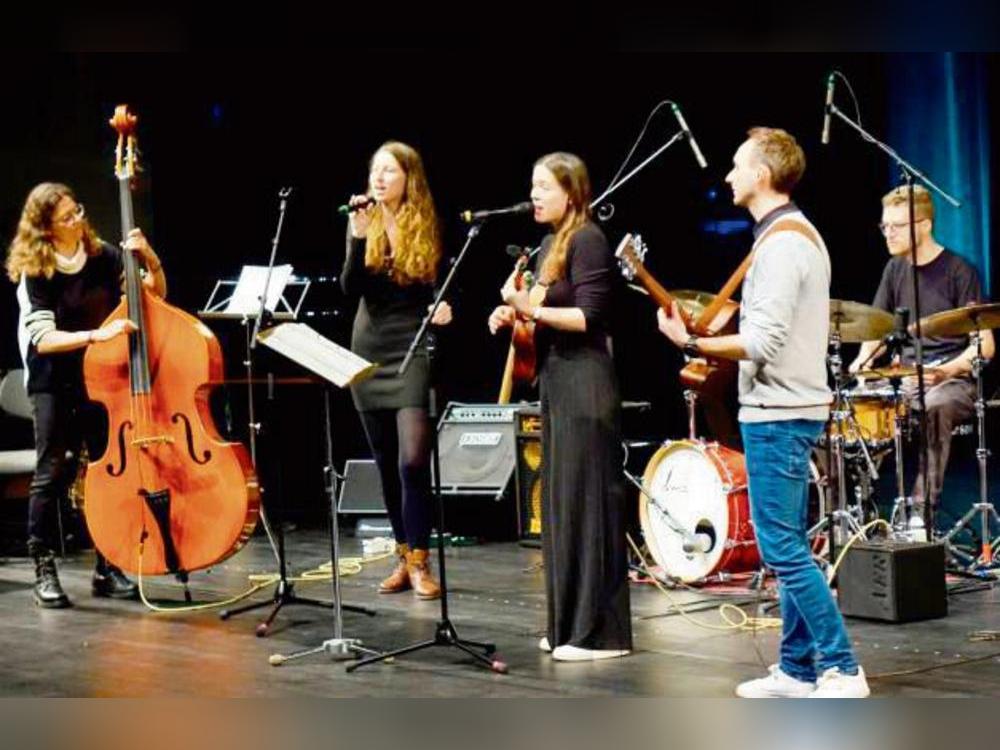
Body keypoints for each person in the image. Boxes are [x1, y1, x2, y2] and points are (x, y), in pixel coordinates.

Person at [657, 128, 869, 697]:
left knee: (781, 549)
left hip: (778, 410)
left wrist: (693, 345)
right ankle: (799, 670)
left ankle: (842, 668)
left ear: (761, 175)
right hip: (784, 406)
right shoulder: (787, 236)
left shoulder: (782, 244)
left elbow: (764, 340)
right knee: (791, 542)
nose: (727, 176)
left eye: (736, 166)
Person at [489, 152, 631, 661]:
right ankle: (569, 625)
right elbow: (545, 316)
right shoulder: (550, 244)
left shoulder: (589, 239)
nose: (535, 194)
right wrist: (515, 315)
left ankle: (602, 635)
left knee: (589, 505)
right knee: (562, 507)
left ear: (570, 192)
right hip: (557, 382)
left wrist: (532, 307)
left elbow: (590, 317)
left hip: (587, 383)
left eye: (544, 186)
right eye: (533, 185)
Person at [7, 182, 167, 608]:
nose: (78, 221)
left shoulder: (101, 257)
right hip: (53, 383)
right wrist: (100, 334)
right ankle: (42, 564)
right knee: (52, 474)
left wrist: (148, 257)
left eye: (77, 211)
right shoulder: (36, 272)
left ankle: (107, 565)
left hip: (102, 380)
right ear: (45, 229)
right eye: (66, 218)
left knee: (103, 475)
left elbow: (153, 296)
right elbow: (43, 338)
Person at [341, 141, 452, 600]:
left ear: (409, 177)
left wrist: (444, 306)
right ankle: (403, 558)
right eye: (375, 171)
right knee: (387, 464)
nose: (379, 178)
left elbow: (437, 282)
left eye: (389, 171)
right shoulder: (362, 221)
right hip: (369, 346)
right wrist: (358, 236)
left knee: (411, 460)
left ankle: (423, 560)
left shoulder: (425, 223)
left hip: (411, 349)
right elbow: (351, 287)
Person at [849, 185, 994, 524]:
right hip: (907, 377)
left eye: (897, 226)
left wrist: (946, 370)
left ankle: (919, 512)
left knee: (935, 406)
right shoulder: (894, 269)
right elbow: (877, 329)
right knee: (850, 405)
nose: (889, 233)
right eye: (885, 226)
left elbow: (984, 345)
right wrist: (861, 363)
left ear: (925, 225)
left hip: (954, 380)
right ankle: (859, 512)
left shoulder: (960, 271)